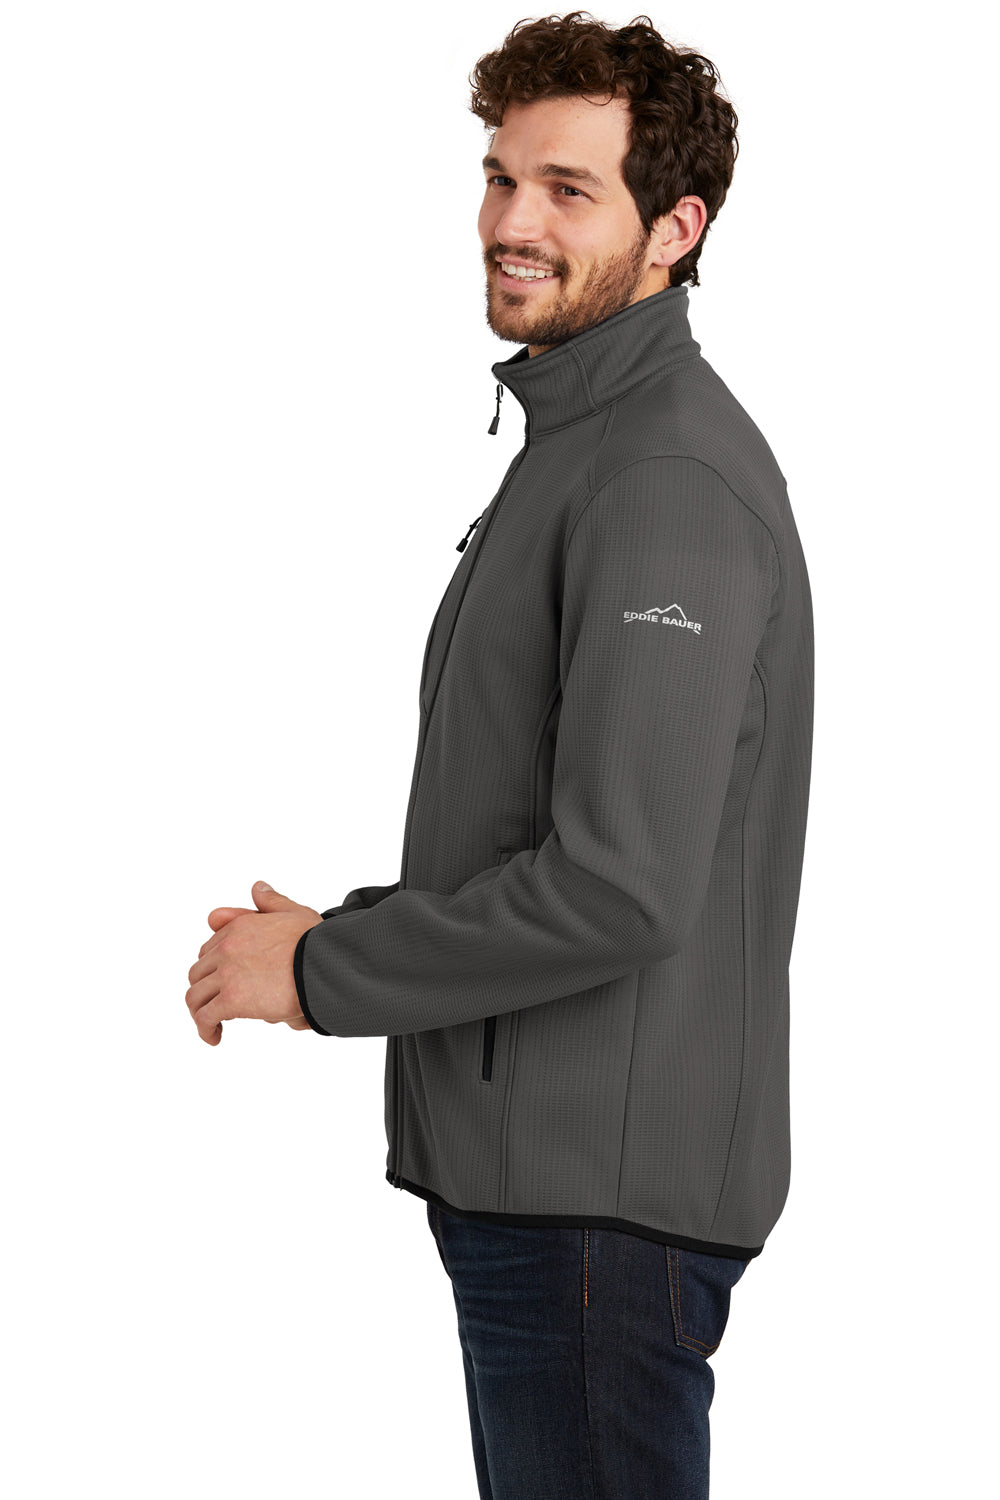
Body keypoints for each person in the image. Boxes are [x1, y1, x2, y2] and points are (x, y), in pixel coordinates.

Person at [185, 12, 814, 1497]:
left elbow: (615, 888)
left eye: (568, 190)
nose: (512, 222)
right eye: (501, 176)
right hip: (556, 1187)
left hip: (597, 1209)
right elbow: (546, 830)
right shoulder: (584, 443)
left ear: (675, 229)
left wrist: (325, 975)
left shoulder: (661, 476)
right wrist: (350, 930)